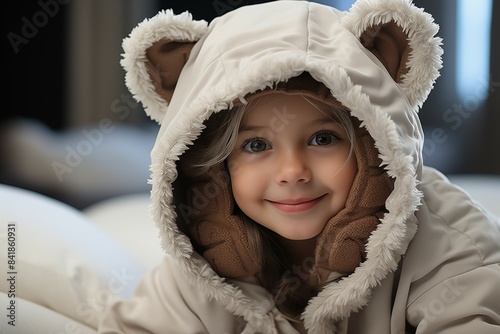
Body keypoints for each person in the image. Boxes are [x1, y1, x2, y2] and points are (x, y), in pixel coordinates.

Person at [99, 0, 500, 333]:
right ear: (216, 170)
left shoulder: (447, 239)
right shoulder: (203, 260)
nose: (292, 171)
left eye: (323, 139)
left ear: (374, 147)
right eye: (256, 145)